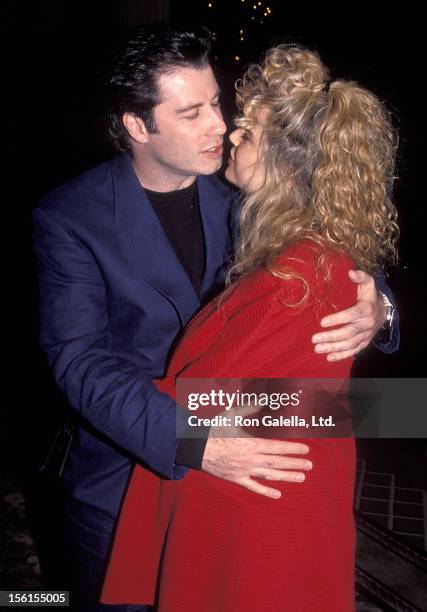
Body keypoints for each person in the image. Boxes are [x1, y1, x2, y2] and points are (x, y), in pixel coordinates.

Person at [32, 25, 398, 611]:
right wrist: (195, 436)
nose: (221, 127)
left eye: (218, 106)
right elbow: (78, 362)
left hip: (242, 480)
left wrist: (377, 301)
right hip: (127, 468)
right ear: (138, 126)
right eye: (193, 113)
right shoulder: (71, 216)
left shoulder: (247, 191)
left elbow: (324, 236)